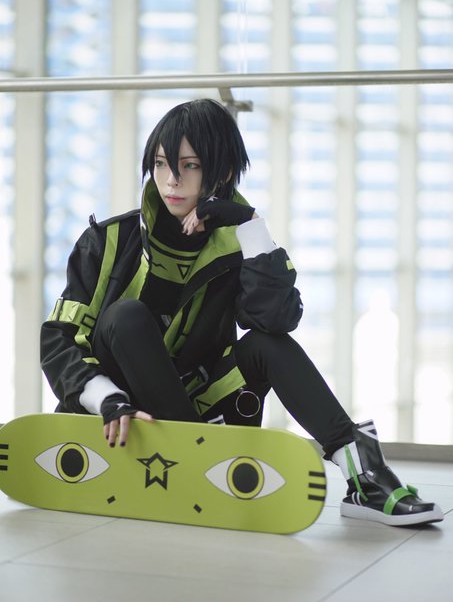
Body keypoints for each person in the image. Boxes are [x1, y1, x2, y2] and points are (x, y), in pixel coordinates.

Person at [41, 98, 443, 527]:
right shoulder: (109, 240)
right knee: (126, 316)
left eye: (190, 166)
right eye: (161, 164)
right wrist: (105, 397)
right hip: (117, 412)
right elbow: (59, 337)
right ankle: (196, 456)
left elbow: (276, 320)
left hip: (200, 408)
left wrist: (252, 226)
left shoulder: (236, 245)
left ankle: (365, 477)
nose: (171, 180)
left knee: (268, 344)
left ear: (223, 173)